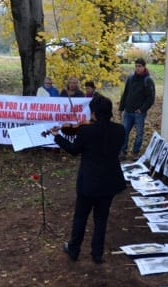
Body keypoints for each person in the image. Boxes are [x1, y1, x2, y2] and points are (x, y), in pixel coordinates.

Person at [49, 95, 126, 264]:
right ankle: (97, 254)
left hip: (89, 183)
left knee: (81, 217)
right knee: (101, 218)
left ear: (94, 114)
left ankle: (74, 249)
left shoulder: (86, 131)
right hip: (110, 182)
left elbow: (73, 150)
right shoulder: (120, 130)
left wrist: (57, 136)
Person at [118, 58, 156, 159]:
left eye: (140, 66)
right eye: (136, 66)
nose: (137, 68)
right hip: (128, 111)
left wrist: (142, 109)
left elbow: (151, 98)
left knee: (139, 134)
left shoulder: (148, 80)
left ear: (144, 67)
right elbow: (125, 94)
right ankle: (123, 152)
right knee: (124, 132)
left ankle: (135, 153)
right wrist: (121, 108)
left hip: (139, 113)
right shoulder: (130, 79)